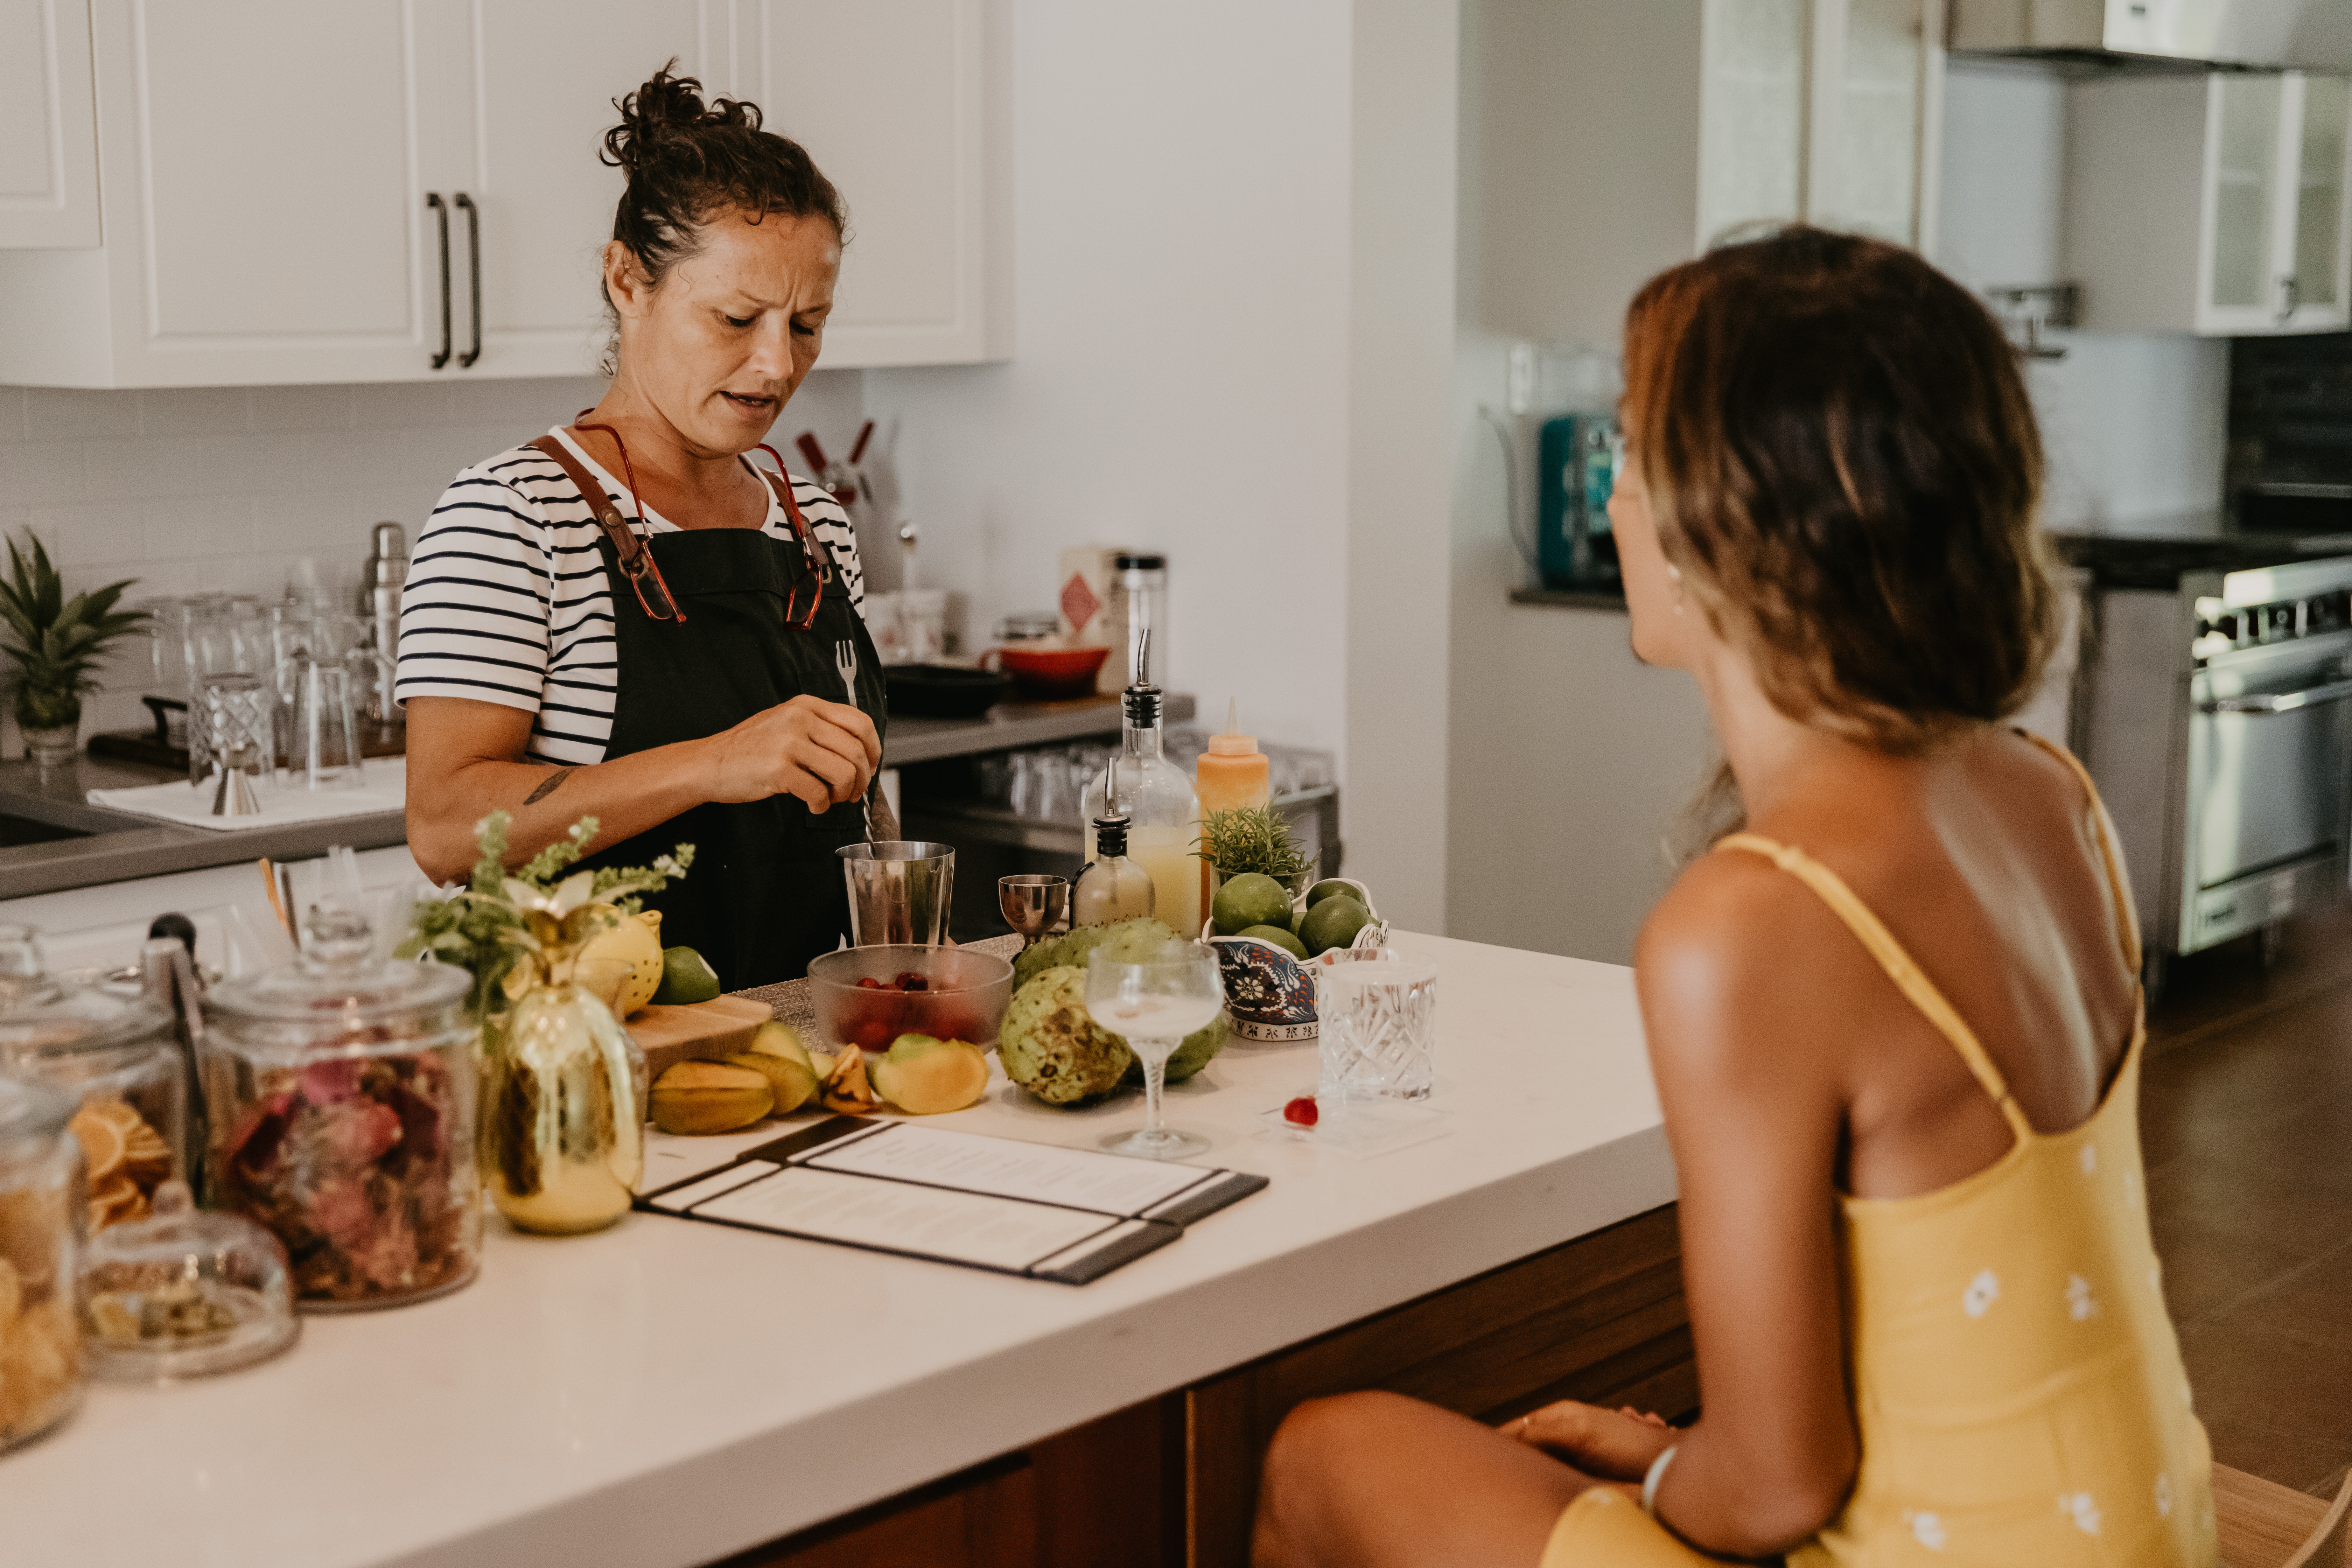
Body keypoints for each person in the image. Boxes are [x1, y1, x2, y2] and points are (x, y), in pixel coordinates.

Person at [1251, 229, 2216, 1568]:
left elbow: (1773, 1491)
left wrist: (1670, 1478)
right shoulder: (2046, 790)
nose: (1615, 499)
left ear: (1728, 525)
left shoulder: (1756, 919)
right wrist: (1667, 1456)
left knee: (1322, 1457)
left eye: (1637, 451)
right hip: (2140, 1527)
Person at [398, 65, 883, 990]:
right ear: (627, 280)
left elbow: (848, 810)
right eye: (736, 318)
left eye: (808, 326)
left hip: (799, 1041)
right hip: (584, 1055)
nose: (777, 365)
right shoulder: (512, 516)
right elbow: (448, 829)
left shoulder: (812, 521)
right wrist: (712, 764)